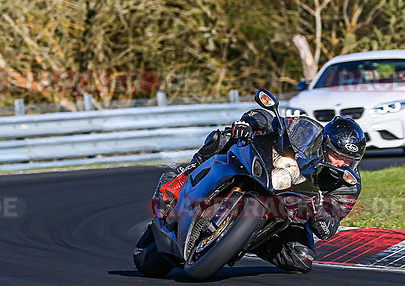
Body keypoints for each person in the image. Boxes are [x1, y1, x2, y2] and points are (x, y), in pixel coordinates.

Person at [151, 110, 366, 273]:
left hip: (292, 213)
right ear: (324, 145)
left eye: (348, 161)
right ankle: (180, 179)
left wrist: (318, 208)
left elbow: (328, 228)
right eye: (336, 156)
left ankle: (244, 240)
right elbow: (272, 121)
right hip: (269, 170)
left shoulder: (349, 185)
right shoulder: (305, 131)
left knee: (302, 259)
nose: (340, 163)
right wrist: (249, 123)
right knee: (225, 138)